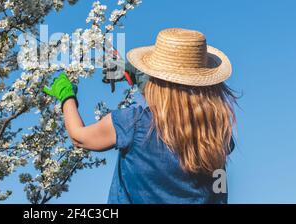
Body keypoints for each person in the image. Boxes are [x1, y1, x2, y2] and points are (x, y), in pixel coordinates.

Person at [43, 28, 237, 204]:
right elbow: (219, 189)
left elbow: (79, 137)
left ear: (155, 82)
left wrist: (67, 96)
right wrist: (140, 77)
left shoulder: (134, 123)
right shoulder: (218, 133)